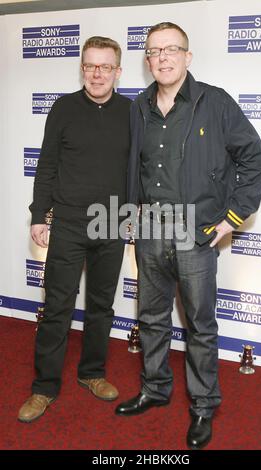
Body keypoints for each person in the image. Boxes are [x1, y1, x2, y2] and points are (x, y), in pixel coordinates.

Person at [115, 22, 261, 449]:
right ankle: (154, 388)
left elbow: (255, 161)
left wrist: (231, 219)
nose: (162, 57)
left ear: (187, 56)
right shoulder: (138, 107)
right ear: (146, 61)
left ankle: (203, 407)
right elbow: (133, 167)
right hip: (149, 231)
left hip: (196, 234)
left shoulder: (214, 103)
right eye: (154, 51)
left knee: (200, 325)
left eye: (171, 49)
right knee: (150, 318)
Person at [18, 36, 131, 423]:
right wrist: (38, 214)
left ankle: (93, 373)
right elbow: (46, 165)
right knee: (57, 308)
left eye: (105, 66)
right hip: (66, 222)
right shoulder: (63, 108)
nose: (97, 73)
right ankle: (44, 387)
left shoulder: (133, 113)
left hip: (112, 223)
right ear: (82, 67)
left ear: (119, 71)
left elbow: (139, 171)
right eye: (90, 65)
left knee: (101, 307)